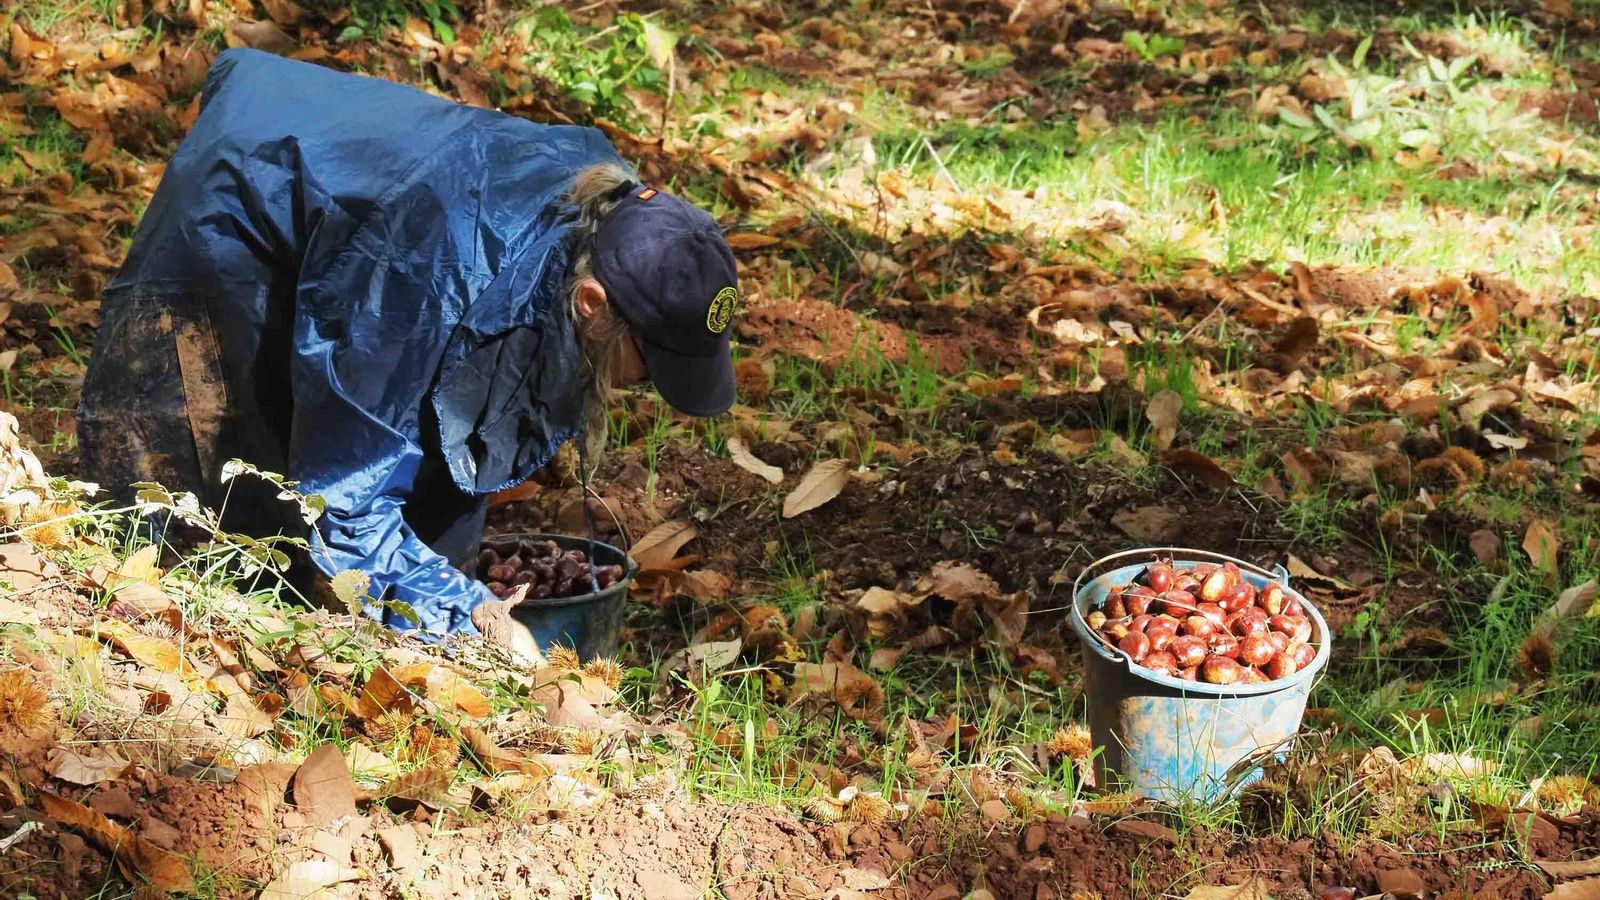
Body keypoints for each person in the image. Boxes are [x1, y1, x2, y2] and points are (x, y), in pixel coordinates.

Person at [76, 48, 740, 636]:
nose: (647, 387)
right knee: (215, 520)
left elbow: (488, 396)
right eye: (651, 367)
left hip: (380, 217)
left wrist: (450, 583)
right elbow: (342, 496)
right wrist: (472, 621)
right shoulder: (433, 275)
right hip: (244, 190)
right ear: (593, 307)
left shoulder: (613, 213)